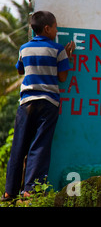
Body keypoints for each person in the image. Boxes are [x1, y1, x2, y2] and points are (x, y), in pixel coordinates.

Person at [1, 11, 75, 201]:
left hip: (26, 103)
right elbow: (62, 77)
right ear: (48, 28)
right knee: (40, 145)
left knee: (19, 145)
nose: (57, 30)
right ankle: (31, 188)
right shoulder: (58, 50)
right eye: (56, 27)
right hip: (48, 102)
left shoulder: (24, 49)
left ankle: (9, 191)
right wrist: (67, 57)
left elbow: (20, 70)